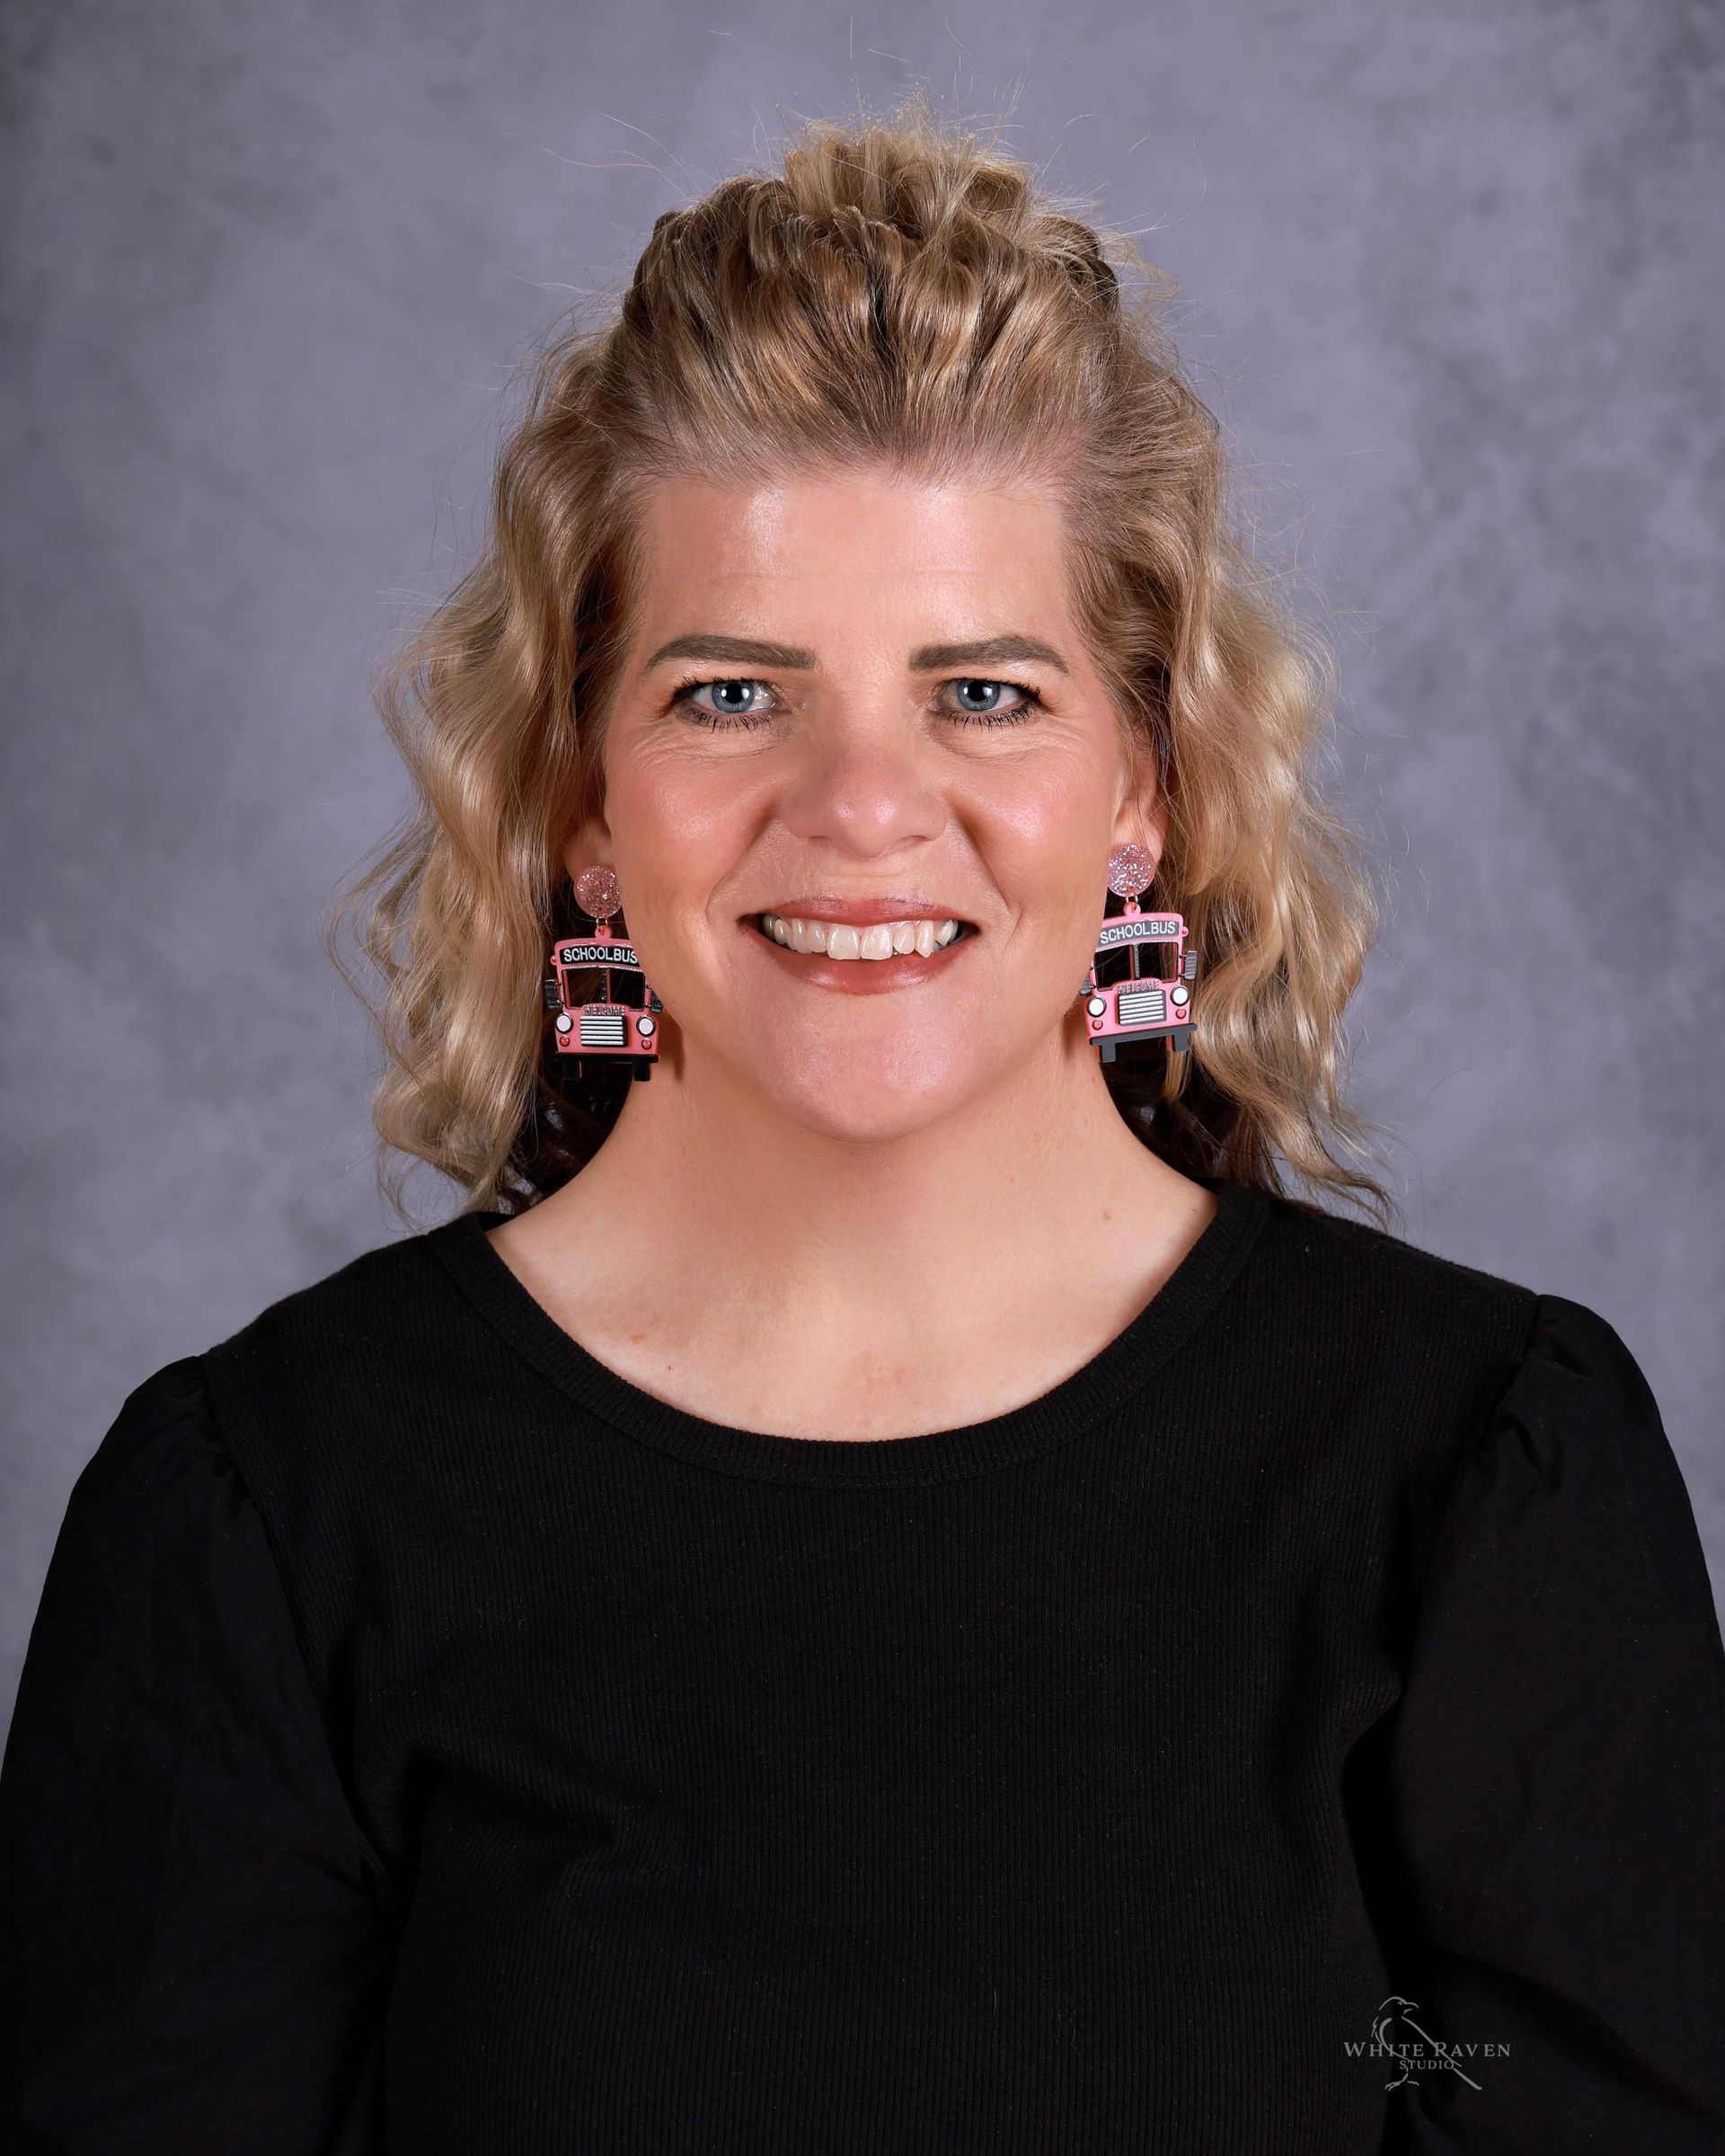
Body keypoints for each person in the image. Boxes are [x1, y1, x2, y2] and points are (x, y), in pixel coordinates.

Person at [2, 93, 1722, 2156]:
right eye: (732, 694)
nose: (863, 806)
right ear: (579, 802)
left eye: (984, 692)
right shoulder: (263, 1526)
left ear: (1146, 784)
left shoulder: (1480, 1485)